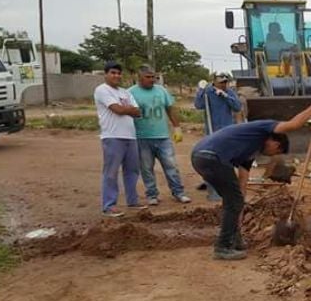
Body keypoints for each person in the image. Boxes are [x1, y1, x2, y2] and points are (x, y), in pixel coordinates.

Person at [191, 95, 311, 260]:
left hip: (202, 158)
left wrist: (240, 209)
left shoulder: (249, 151)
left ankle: (233, 237)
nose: (271, 156)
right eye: (275, 153)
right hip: (211, 157)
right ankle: (223, 246)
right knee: (233, 201)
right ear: (276, 144)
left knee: (234, 201)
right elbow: (294, 124)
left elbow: (242, 185)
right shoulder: (264, 128)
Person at [128, 65, 191, 206]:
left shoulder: (161, 91)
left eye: (154, 77)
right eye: (148, 77)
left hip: (162, 137)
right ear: (140, 78)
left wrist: (177, 127)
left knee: (171, 166)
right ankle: (152, 195)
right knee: (146, 168)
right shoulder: (130, 93)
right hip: (142, 137)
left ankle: (178, 192)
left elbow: (170, 108)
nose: (152, 80)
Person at [93, 61, 145, 217]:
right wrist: (128, 110)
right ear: (106, 74)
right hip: (112, 136)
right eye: (113, 73)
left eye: (118, 73)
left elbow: (138, 112)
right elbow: (117, 109)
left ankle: (132, 201)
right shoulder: (102, 90)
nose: (116, 76)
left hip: (130, 135)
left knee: (132, 171)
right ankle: (109, 205)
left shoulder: (125, 92)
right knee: (111, 172)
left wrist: (126, 110)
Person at [194, 71, 241, 201]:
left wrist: (225, 96)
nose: (223, 85)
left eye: (225, 82)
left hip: (227, 133)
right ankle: (213, 193)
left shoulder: (229, 92)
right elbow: (198, 105)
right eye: (221, 83)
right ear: (214, 82)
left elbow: (237, 107)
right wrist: (200, 91)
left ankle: (227, 191)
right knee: (211, 163)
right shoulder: (207, 92)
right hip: (212, 134)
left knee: (227, 163)